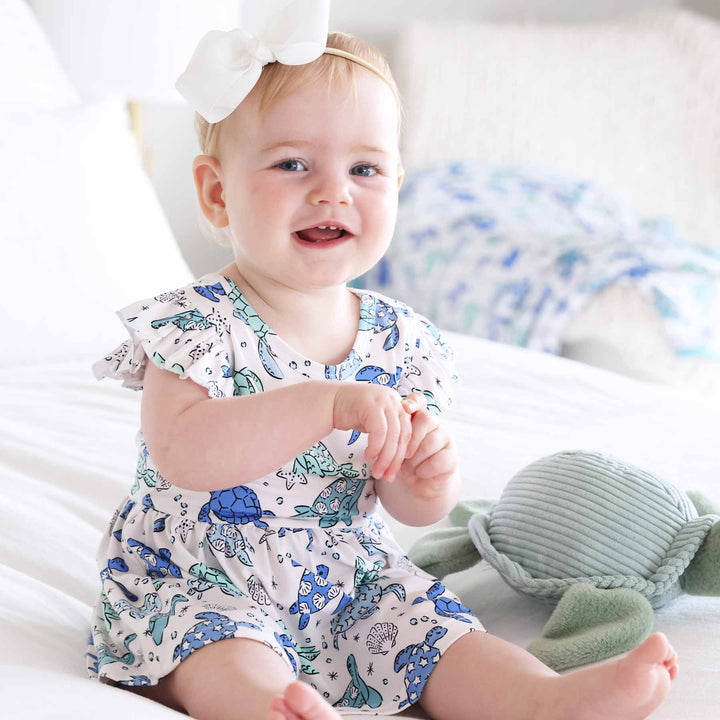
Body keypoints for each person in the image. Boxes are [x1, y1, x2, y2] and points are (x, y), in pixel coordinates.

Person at [86, 4, 677, 720]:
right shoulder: (196, 324)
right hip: (202, 575)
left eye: (364, 168)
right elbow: (183, 451)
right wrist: (323, 403)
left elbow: (410, 507)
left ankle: (540, 698)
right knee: (224, 648)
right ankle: (270, 706)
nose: (332, 190)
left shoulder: (401, 341)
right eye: (292, 164)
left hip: (348, 577)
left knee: (434, 629)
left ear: (395, 184)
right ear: (217, 193)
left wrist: (426, 473)